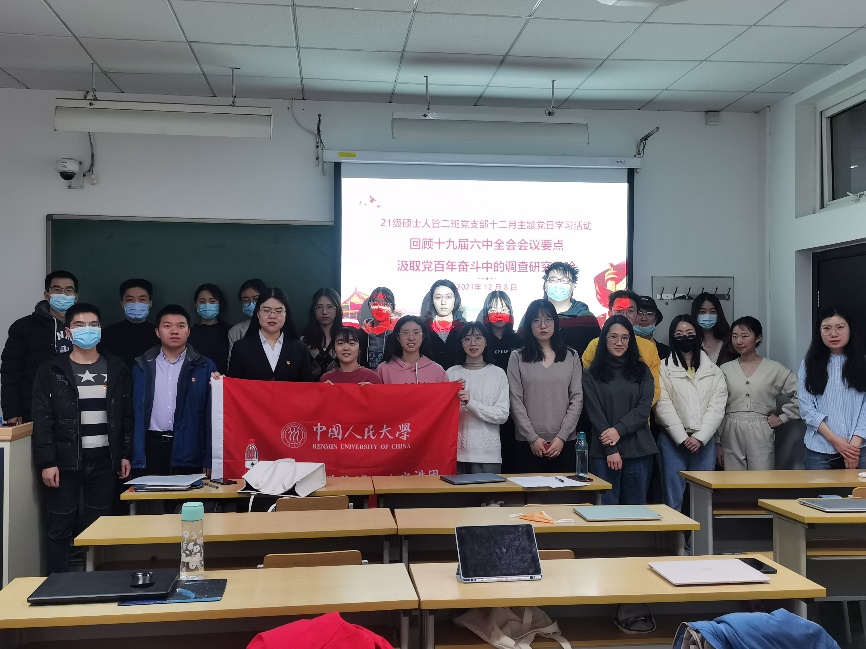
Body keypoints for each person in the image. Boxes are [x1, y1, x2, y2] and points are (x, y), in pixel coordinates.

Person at [31, 303, 132, 573]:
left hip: (105, 460)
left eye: (93, 325)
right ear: (68, 332)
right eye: (79, 325)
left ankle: (96, 582)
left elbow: (125, 414)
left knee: (100, 526)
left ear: (100, 330)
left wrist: (125, 453)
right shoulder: (52, 369)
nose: (87, 330)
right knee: (60, 526)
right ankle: (57, 584)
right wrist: (47, 461)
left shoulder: (117, 367)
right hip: (64, 462)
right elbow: (42, 418)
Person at [132, 305, 217, 475]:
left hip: (190, 448)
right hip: (152, 448)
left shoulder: (204, 367)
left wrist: (210, 455)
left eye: (180, 326)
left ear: (188, 331)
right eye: (167, 326)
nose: (174, 331)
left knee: (188, 493)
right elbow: (132, 414)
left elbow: (212, 415)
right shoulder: (141, 366)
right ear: (157, 332)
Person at [654, 315, 727, 513]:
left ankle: (700, 535)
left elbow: (717, 407)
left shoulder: (714, 371)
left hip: (704, 441)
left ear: (698, 335)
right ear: (672, 337)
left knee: (703, 496)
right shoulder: (662, 368)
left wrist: (699, 438)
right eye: (679, 334)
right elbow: (663, 405)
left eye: (689, 333)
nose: (684, 337)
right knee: (672, 496)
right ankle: (674, 534)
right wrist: (682, 437)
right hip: (672, 441)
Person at [583, 315, 656, 505]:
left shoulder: (642, 371)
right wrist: (611, 448)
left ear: (630, 340)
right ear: (604, 339)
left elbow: (643, 410)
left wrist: (618, 430)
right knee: (605, 514)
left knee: (636, 515)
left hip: (638, 451)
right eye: (613, 337)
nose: (619, 342)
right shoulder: (591, 374)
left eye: (624, 337)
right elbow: (594, 413)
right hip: (603, 452)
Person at [507, 299, 583, 473]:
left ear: (555, 323)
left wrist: (561, 437)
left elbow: (577, 398)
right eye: (536, 320)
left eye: (548, 319)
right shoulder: (517, 357)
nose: (543, 325)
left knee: (565, 490)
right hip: (528, 443)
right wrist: (532, 438)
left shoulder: (571, 356)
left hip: (564, 442)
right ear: (529, 325)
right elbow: (515, 400)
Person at [719, 316, 800, 470]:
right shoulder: (725, 369)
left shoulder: (774, 369)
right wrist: (717, 441)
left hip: (761, 429)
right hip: (730, 429)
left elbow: (803, 396)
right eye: (735, 336)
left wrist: (783, 418)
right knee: (732, 480)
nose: (739, 341)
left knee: (762, 477)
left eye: (744, 336)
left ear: (758, 338)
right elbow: (717, 406)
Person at [1, 270, 78, 424]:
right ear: (47, 295)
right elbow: (10, 372)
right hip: (34, 409)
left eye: (68, 290)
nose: (63, 295)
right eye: (57, 289)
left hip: (77, 409)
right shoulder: (24, 327)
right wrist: (12, 411)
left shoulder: (87, 328)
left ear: (76, 297)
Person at [798, 306, 866, 470]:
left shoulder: (863, 363)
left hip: (859, 450)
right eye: (826, 328)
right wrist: (835, 440)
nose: (833, 334)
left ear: (850, 329)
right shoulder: (808, 365)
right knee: (820, 489)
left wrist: (854, 445)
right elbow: (806, 409)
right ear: (819, 332)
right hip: (819, 451)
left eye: (840, 327)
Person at [446, 323, 509, 474]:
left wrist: (471, 402)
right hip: (454, 453)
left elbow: (502, 415)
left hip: (488, 455)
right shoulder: (451, 373)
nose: (473, 343)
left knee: (488, 491)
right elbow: (442, 414)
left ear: (486, 342)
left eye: (478, 338)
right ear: (461, 343)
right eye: (467, 339)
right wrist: (452, 395)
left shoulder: (498, 373)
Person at [581, 290, 661, 406]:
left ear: (637, 315)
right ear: (610, 313)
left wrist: (635, 413)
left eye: (630, 311)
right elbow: (587, 387)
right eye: (619, 311)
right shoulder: (594, 345)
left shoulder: (649, 347)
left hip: (638, 415)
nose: (624, 315)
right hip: (602, 414)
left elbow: (654, 390)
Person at [478, 290, 523, 472]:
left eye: (503, 309)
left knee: (512, 455)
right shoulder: (481, 340)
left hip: (514, 405)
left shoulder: (519, 340)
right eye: (493, 309)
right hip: (487, 404)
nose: (499, 313)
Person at [227, 288, 313, 382]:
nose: (272, 316)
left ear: (286, 314)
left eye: (278, 311)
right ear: (258, 313)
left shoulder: (300, 349)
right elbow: (233, 386)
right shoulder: (240, 348)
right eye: (266, 310)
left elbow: (307, 386)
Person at [519, 261, 600, 357]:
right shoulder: (532, 314)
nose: (558, 284)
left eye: (564, 281)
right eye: (553, 280)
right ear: (545, 285)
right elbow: (521, 346)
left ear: (573, 286)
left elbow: (597, 352)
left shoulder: (586, 318)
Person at [99, 278, 158, 369]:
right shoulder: (108, 333)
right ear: (122, 304)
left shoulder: (160, 334)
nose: (136, 303)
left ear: (150, 303)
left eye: (142, 299)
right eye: (130, 300)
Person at [376, 316, 448, 384]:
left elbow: (446, 392)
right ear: (398, 337)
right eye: (405, 333)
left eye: (416, 333)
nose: (411, 338)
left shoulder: (437, 370)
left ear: (423, 337)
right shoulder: (383, 369)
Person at [421, 279, 466, 370]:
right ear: (432, 300)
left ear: (455, 299)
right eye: (438, 297)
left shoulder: (464, 328)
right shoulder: (423, 328)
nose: (443, 302)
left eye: (448, 297)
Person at [188, 283, 231, 375]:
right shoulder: (188, 333)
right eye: (202, 301)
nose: (207, 305)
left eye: (212, 301)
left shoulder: (230, 332)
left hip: (224, 381)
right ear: (195, 304)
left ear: (220, 304)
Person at [300, 288, 342, 380]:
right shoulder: (303, 340)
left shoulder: (346, 338)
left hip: (340, 388)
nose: (324, 312)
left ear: (337, 309)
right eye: (319, 307)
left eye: (330, 307)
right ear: (313, 310)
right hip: (310, 388)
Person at [691, 292, 737, 365]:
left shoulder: (730, 342)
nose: (708, 315)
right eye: (702, 312)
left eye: (712, 311)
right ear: (695, 313)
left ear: (718, 314)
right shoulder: (690, 342)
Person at [227, 278, 267, 360]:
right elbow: (232, 362)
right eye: (246, 300)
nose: (251, 304)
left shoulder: (277, 325)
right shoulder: (235, 331)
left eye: (256, 299)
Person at [360, 287, 398, 370]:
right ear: (369, 307)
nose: (379, 308)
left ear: (393, 308)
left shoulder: (398, 334)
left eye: (385, 304)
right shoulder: (360, 334)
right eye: (375, 303)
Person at [635, 295, 669, 361]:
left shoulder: (666, 352)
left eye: (649, 314)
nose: (644, 318)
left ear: (656, 319)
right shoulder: (623, 348)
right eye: (639, 313)